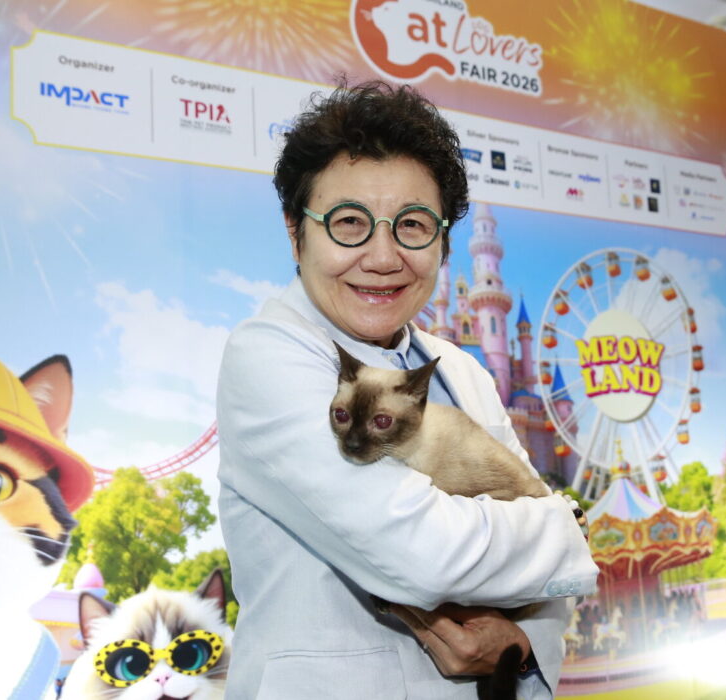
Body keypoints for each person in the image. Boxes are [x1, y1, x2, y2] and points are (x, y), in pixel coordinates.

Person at [216, 80, 599, 699]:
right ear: (295, 232)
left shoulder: (463, 371)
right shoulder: (266, 356)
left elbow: (541, 591)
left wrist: (520, 643)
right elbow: (422, 552)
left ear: (444, 242)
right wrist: (564, 529)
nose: (383, 256)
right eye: (349, 223)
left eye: (413, 225)